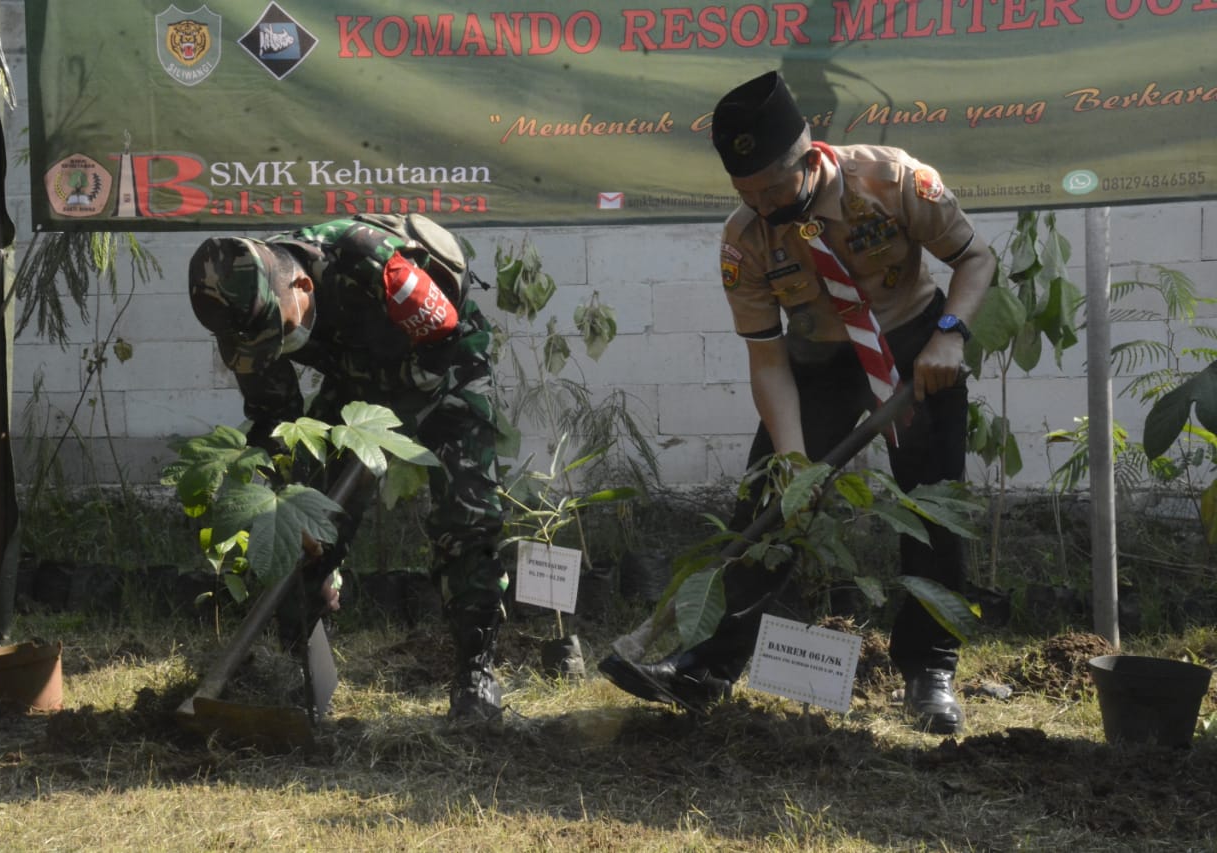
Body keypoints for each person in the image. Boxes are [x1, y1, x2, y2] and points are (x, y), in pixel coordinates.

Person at [600, 70, 995, 735]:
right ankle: (707, 666)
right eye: (746, 194)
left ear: (810, 161)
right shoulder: (744, 240)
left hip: (914, 351)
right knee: (764, 505)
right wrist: (792, 462)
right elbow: (767, 358)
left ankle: (930, 670)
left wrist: (950, 338)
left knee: (932, 507)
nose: (763, 206)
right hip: (816, 365)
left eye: (772, 189)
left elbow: (976, 259)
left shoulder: (894, 180)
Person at [187, 212, 509, 722]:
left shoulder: (376, 262)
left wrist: (388, 419)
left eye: (282, 332)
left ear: (301, 284)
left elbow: (441, 346)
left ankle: (476, 673)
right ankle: (300, 675)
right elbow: (275, 419)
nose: (275, 348)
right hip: (354, 377)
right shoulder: (246, 318)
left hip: (442, 368)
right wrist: (280, 503)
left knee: (467, 517)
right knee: (306, 516)